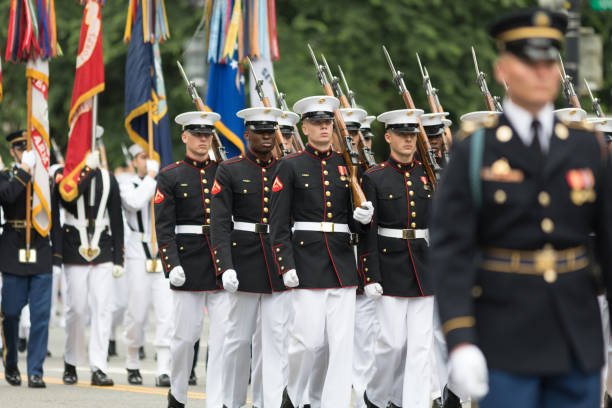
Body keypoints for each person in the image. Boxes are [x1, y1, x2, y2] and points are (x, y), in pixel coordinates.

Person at [430, 9, 612, 408]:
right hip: (503, 336)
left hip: (576, 338)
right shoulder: (475, 148)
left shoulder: (586, 146)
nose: (543, 72)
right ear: (502, 70)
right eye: (530, 62)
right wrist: (460, 339)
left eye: (550, 61)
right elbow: (451, 249)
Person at [271, 95, 374, 408]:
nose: (323, 128)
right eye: (317, 123)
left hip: (341, 263)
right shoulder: (290, 166)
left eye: (327, 123)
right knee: (307, 342)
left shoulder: (346, 165)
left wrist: (362, 219)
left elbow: (353, 224)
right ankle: (293, 393)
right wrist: (285, 264)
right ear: (305, 127)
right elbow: (278, 225)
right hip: (306, 262)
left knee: (340, 346)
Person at [212, 106, 290, 408]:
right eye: (260, 132)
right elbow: (220, 223)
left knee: (274, 341)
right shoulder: (230, 170)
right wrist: (225, 267)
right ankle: (231, 402)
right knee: (238, 341)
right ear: (247, 135)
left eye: (271, 132)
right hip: (243, 261)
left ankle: (266, 402)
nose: (267, 138)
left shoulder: (286, 168)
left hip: (278, 261)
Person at [358, 109, 435, 408]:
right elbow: (369, 231)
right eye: (402, 134)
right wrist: (370, 274)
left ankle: (412, 403)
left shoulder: (428, 174)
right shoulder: (374, 177)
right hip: (389, 268)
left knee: (420, 348)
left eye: (412, 135)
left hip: (425, 267)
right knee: (391, 344)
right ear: (388, 137)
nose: (408, 140)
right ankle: (376, 397)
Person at [155, 111, 228, 408]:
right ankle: (178, 394)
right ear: (185, 137)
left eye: (207, 135)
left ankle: (218, 399)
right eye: (197, 135)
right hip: (188, 262)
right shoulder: (171, 175)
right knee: (185, 338)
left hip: (222, 263)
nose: (202, 140)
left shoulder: (224, 171)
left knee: (224, 339)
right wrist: (171, 265)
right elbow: (164, 227)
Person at [57, 145, 125, 387]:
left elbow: (117, 219)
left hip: (103, 248)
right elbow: (68, 200)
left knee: (102, 308)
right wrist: (85, 169)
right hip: (74, 246)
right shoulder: (67, 178)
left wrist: (119, 257)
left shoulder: (109, 179)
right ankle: (71, 361)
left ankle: (99, 366)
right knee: (75, 308)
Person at [1, 130, 60, 388]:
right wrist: (25, 168)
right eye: (21, 148)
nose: (26, 150)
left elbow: (54, 218)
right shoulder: (5, 176)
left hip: (40, 248)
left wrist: (57, 256)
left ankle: (35, 369)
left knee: (40, 316)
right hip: (13, 247)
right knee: (11, 313)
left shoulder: (44, 179)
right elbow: (9, 195)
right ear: (14, 151)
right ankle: (11, 361)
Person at [119, 144, 172, 386]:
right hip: (137, 252)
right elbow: (134, 203)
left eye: (150, 157)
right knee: (137, 313)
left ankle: (163, 367)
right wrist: (151, 177)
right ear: (134, 162)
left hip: (161, 251)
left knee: (165, 313)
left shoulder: (164, 184)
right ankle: (132, 360)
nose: (147, 160)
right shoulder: (127, 184)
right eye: (142, 157)